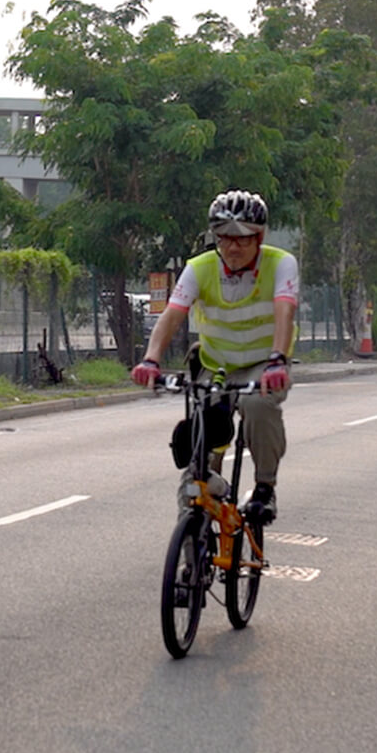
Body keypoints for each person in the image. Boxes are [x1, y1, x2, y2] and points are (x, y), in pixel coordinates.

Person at [131, 190, 298, 524]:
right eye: (224, 239)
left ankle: (265, 487)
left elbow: (285, 310)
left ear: (259, 238)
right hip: (215, 366)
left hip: (263, 365)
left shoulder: (281, 263)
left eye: (242, 239)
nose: (232, 247)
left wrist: (278, 359)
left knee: (258, 405)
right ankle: (193, 546)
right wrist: (151, 359)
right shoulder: (200, 268)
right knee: (200, 456)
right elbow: (172, 315)